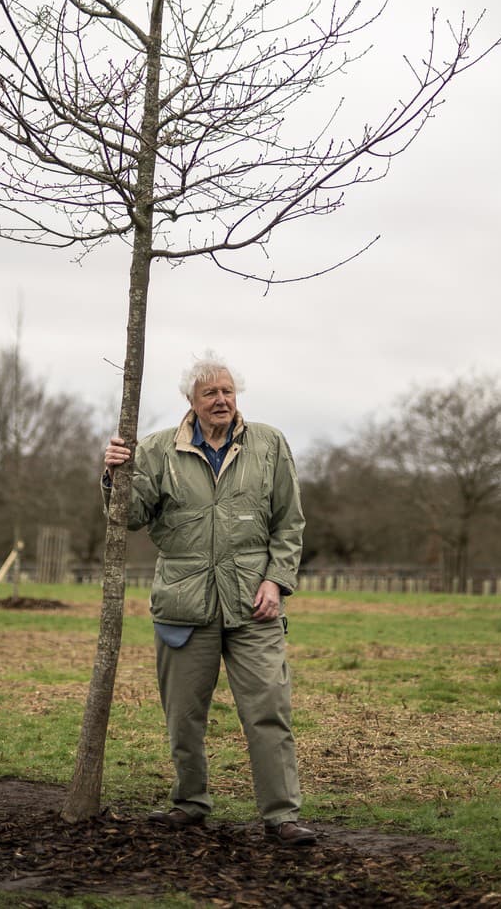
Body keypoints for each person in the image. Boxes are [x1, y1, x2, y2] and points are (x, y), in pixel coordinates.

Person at [103, 353, 315, 846]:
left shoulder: (268, 444)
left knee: (268, 710)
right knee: (184, 714)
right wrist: (115, 474)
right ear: (191, 401)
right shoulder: (157, 449)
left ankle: (282, 816)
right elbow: (130, 516)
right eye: (209, 394)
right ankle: (189, 803)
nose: (221, 400)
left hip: (254, 605)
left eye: (227, 391)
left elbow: (290, 522)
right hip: (183, 604)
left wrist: (276, 582)